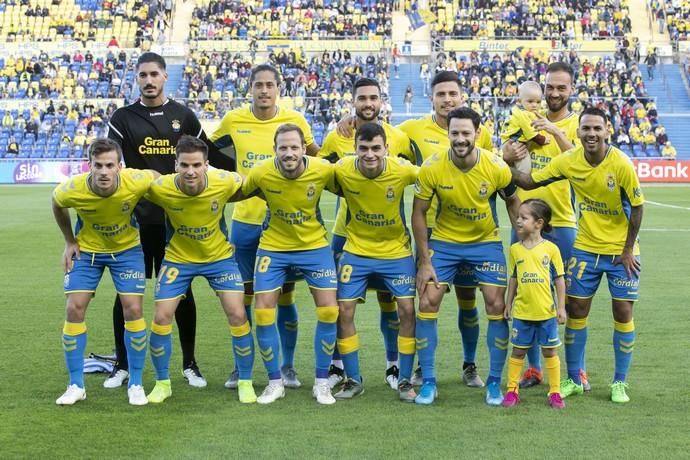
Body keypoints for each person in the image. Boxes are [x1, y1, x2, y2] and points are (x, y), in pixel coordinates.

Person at [106, 52, 232, 390]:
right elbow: (114, 163)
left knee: (182, 293)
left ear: (165, 77)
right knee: (127, 294)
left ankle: (189, 363)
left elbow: (212, 155)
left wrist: (243, 165)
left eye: (154, 74)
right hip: (135, 221)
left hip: (177, 223)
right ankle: (121, 364)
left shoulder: (183, 115)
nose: (149, 81)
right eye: (143, 75)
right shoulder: (123, 117)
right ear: (137, 78)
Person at [510, 107, 644, 404]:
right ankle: (572, 378)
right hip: (586, 247)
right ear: (579, 132)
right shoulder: (569, 160)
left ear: (607, 130)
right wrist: (500, 164)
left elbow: (637, 206)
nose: (592, 134)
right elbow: (531, 182)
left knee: (623, 313)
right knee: (576, 311)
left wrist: (626, 249)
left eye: (597, 128)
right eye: (586, 129)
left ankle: (619, 383)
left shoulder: (620, 163)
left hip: (621, 253)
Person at [210, 64, 319, 390]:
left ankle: (286, 367)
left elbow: (316, 156)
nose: (264, 91)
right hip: (245, 222)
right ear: (251, 88)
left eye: (270, 85)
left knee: (283, 296)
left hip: (284, 227)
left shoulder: (295, 120)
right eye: (258, 85)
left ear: (279, 88)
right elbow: (209, 152)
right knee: (242, 297)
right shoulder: (233, 120)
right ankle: (240, 367)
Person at [412, 107, 520, 406]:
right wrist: (424, 262)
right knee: (427, 300)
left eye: (466, 133)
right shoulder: (432, 167)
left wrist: (525, 245)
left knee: (497, 304)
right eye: (455, 133)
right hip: (445, 243)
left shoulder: (496, 167)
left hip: (485, 242)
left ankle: (495, 383)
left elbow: (513, 201)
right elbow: (418, 213)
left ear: (478, 133)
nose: (460, 139)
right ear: (448, 133)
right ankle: (429, 382)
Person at [397, 70, 494, 388]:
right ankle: (424, 371)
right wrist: (348, 122)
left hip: (471, 235)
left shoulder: (482, 132)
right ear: (432, 98)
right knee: (426, 301)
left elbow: (491, 177)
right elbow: (379, 138)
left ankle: (470, 365)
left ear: (461, 96)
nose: (447, 99)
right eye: (441, 94)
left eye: (453, 94)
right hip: (434, 237)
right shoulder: (411, 130)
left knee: (469, 301)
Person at [144, 136, 257, 404]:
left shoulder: (224, 181)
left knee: (238, 314)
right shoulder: (161, 188)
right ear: (176, 165)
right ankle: (162, 384)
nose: (191, 171)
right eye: (184, 165)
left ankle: (245, 381)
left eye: (197, 165)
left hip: (219, 259)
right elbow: (130, 186)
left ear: (207, 165)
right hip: (178, 259)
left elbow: (254, 185)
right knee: (161, 317)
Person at [319, 77, 415, 390]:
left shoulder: (399, 138)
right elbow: (318, 172)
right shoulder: (337, 137)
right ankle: (339, 367)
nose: (368, 103)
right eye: (362, 98)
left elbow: (422, 175)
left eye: (373, 97)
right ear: (354, 101)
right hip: (346, 234)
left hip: (391, 241)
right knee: (339, 304)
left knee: (392, 303)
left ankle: (394, 367)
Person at [52, 138, 157, 406]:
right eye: (97, 165)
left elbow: (157, 178)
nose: (103, 171)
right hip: (87, 253)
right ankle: (76, 385)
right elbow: (57, 202)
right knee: (74, 308)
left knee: (133, 310)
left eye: (109, 165)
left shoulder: (135, 180)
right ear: (89, 166)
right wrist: (69, 241)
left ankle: (135, 383)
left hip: (127, 251)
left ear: (119, 166)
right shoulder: (73, 188)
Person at [241, 124, 339, 405]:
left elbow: (350, 183)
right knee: (262, 313)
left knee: (329, 310)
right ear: (274, 150)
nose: (289, 153)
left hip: (314, 246)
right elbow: (239, 192)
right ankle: (275, 382)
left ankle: (322, 383)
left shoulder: (322, 169)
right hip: (273, 247)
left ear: (303, 149)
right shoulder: (261, 171)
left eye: (294, 147)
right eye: (283, 147)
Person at [501, 62, 581, 389]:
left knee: (573, 300)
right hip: (524, 220)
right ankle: (533, 369)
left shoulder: (578, 123)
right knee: (525, 292)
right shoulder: (523, 116)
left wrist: (553, 130)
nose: (554, 93)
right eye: (550, 87)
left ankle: (576, 373)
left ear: (571, 89)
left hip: (561, 220)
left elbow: (578, 160)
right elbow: (502, 157)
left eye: (562, 87)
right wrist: (505, 152)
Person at [332, 123, 418, 402]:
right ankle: (353, 379)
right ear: (355, 148)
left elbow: (434, 177)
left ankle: (404, 380)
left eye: (376, 148)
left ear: (387, 149)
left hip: (396, 251)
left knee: (406, 310)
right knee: (343, 311)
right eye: (364, 148)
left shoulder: (403, 170)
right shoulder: (343, 169)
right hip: (356, 250)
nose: (370, 154)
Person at [503, 199, 566, 409]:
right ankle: (512, 391)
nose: (518, 221)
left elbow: (559, 279)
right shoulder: (514, 250)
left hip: (546, 313)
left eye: (523, 217)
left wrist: (561, 307)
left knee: (550, 352)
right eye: (518, 217)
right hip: (523, 313)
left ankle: (555, 391)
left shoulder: (551, 249)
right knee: (518, 352)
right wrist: (508, 303)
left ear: (538, 223)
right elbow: (513, 278)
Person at [502, 81, 550, 146]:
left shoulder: (518, 110)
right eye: (530, 101)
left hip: (508, 140)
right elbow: (530, 131)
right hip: (513, 142)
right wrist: (542, 140)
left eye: (538, 102)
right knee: (526, 156)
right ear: (519, 101)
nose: (534, 105)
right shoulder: (523, 114)